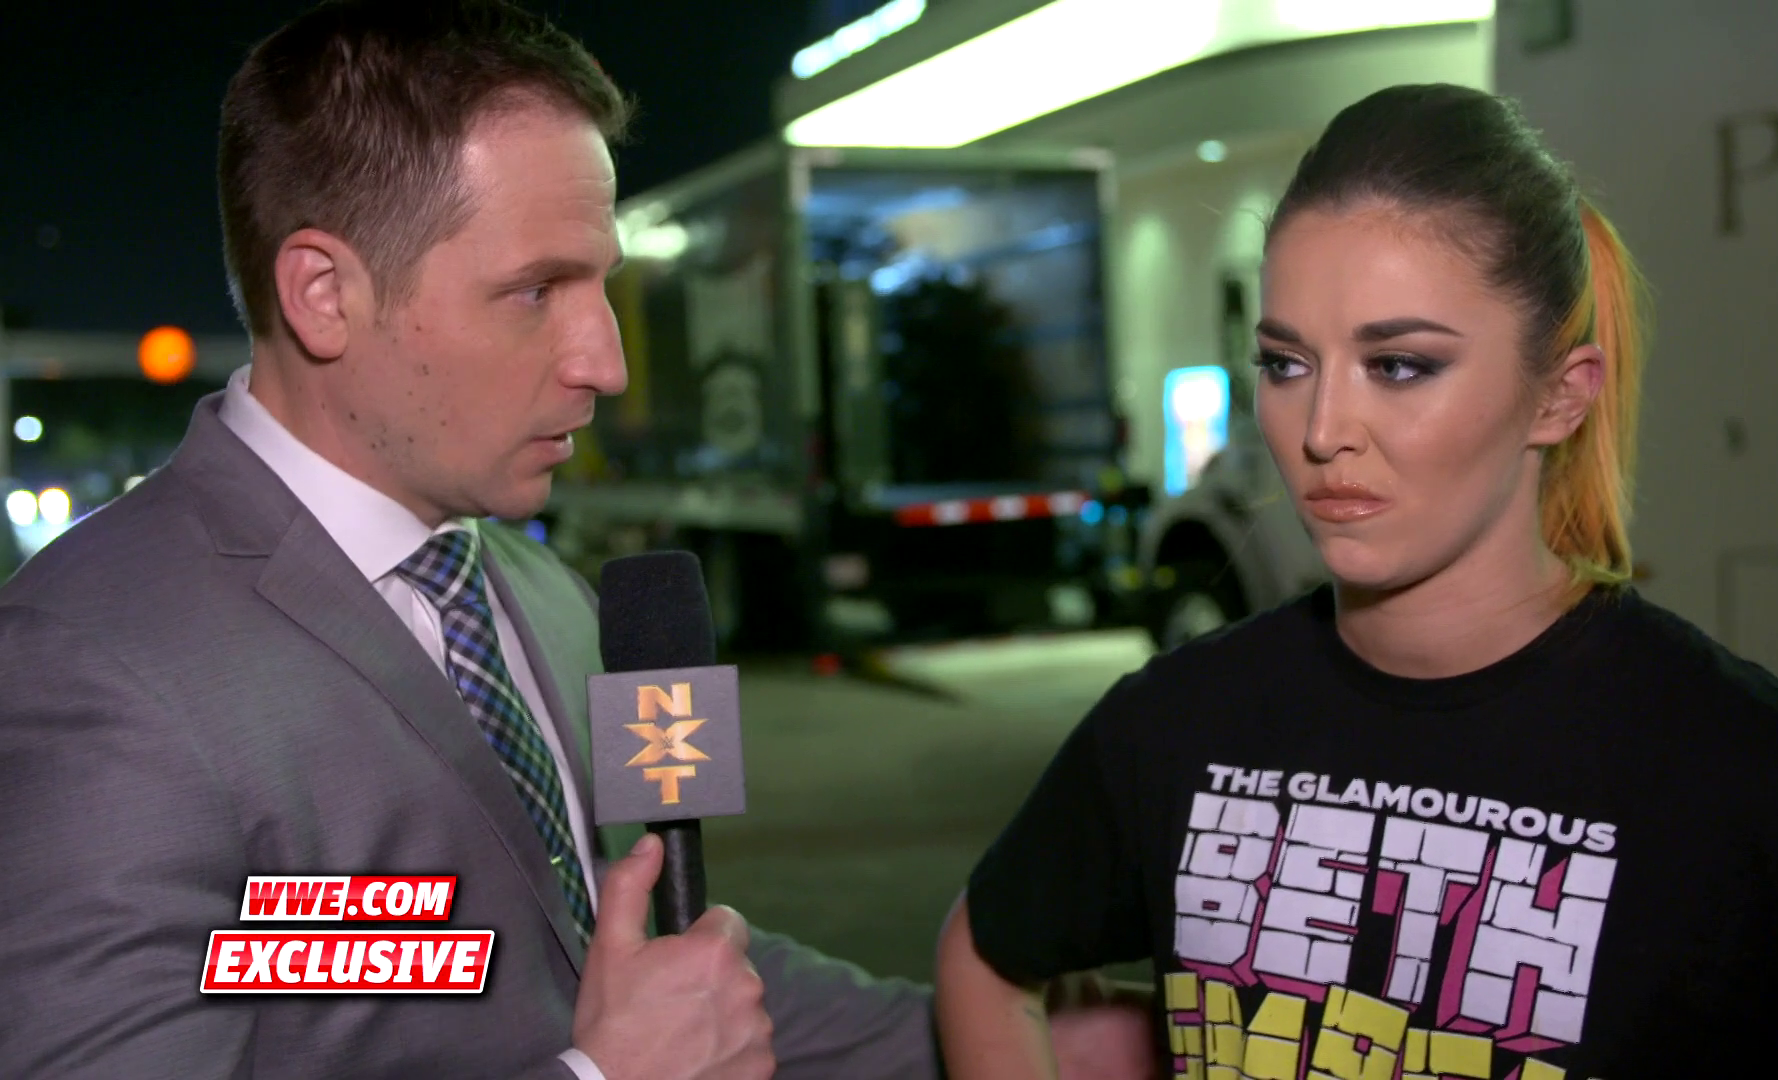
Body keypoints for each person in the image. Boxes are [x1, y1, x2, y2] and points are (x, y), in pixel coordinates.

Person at [0, 2, 1152, 1077]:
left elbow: (663, 975)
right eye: (536, 291)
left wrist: (994, 1040)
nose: (607, 362)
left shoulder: (545, 594)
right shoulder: (93, 663)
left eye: (600, 284)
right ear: (323, 294)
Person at [934, 82, 1778, 1079]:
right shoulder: (1177, 726)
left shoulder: (1761, 787)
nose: (1323, 431)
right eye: (1286, 364)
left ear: (1559, 396)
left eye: (1399, 365)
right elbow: (983, 958)